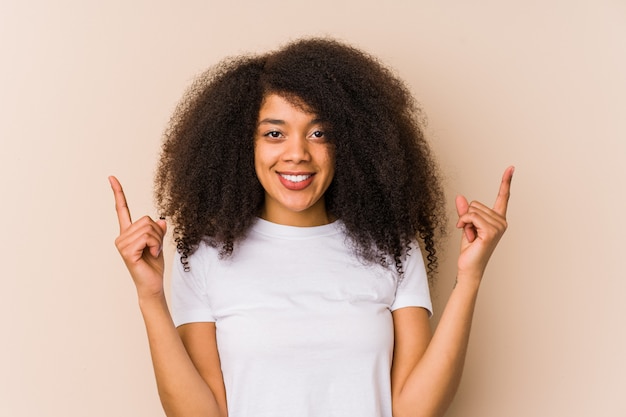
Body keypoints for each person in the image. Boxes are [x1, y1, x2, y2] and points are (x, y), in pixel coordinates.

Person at [110, 37, 513, 417]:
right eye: (274, 133)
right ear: (241, 144)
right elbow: (201, 412)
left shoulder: (392, 247)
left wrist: (470, 278)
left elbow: (415, 409)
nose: (298, 153)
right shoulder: (203, 253)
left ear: (350, 143)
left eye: (319, 133)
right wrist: (150, 296)